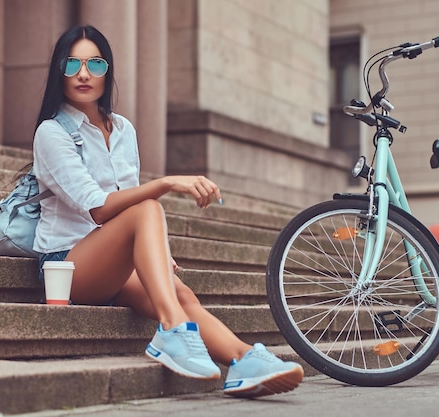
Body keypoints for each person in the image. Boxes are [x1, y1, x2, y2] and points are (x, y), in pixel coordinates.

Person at [32, 24, 304, 397]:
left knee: (184, 294)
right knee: (147, 206)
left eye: (95, 64)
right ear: (58, 72)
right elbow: (98, 208)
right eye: (71, 65)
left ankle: (243, 360)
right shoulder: (52, 132)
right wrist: (165, 183)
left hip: (111, 259)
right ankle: (173, 330)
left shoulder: (123, 129)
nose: (83, 74)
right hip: (67, 265)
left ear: (107, 71)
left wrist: (157, 251)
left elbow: (127, 199)